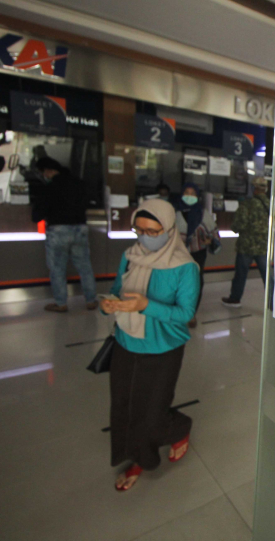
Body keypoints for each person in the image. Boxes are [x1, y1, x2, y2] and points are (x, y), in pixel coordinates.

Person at [100, 199, 200, 492]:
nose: (145, 237)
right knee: (123, 407)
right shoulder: (130, 256)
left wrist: (146, 305)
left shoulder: (185, 267)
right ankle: (135, 458)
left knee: (152, 414)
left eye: (153, 231)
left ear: (169, 230)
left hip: (162, 349)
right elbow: (119, 289)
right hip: (126, 343)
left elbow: (185, 314)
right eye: (139, 229)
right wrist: (110, 303)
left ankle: (179, 428)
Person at [32, 157, 98, 312]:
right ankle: (90, 300)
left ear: (48, 171)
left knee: (57, 269)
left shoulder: (49, 187)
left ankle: (61, 303)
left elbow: (37, 215)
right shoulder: (79, 184)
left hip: (58, 230)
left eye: (43, 173)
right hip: (80, 229)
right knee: (85, 267)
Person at [222, 177, 270, 307]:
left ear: (254, 188)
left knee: (241, 275)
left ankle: (235, 299)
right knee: (267, 276)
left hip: (246, 246)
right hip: (263, 246)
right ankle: (273, 303)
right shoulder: (270, 204)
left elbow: (237, 226)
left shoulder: (247, 204)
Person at [176, 182, 219, 327]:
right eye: (186, 193)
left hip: (197, 255)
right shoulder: (172, 212)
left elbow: (213, 233)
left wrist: (210, 240)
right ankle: (176, 312)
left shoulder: (203, 213)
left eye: (192, 193)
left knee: (195, 283)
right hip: (175, 255)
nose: (189, 196)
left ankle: (190, 313)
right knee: (176, 282)